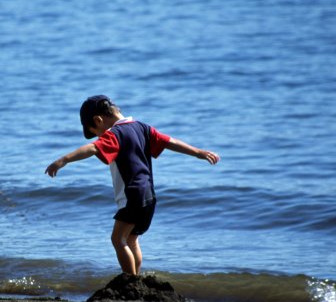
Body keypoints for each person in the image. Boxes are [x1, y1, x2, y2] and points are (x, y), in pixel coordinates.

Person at [45, 95, 219, 275]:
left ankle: (130, 279)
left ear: (98, 120)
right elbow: (169, 141)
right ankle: (137, 279)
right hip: (149, 197)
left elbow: (93, 148)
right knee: (132, 240)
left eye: (96, 132)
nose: (99, 138)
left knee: (118, 240)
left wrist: (63, 160)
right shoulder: (142, 127)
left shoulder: (114, 134)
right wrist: (198, 152)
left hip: (132, 196)